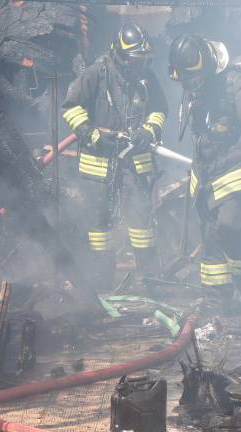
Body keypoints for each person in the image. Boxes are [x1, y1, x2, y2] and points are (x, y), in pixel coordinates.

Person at [168, 34, 241, 314]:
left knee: (232, 230)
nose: (191, 85)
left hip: (235, 177)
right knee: (210, 243)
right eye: (186, 81)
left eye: (194, 79)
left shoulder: (234, 83)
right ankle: (216, 303)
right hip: (205, 179)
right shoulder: (195, 86)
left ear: (207, 67)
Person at [62, 22, 168, 294]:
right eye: (135, 59)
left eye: (145, 59)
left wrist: (149, 130)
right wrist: (92, 135)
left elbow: (159, 109)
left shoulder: (146, 79)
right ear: (121, 56)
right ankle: (102, 283)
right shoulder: (96, 74)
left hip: (135, 161)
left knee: (142, 221)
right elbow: (72, 107)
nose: (141, 65)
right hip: (99, 164)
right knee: (100, 227)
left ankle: (149, 281)